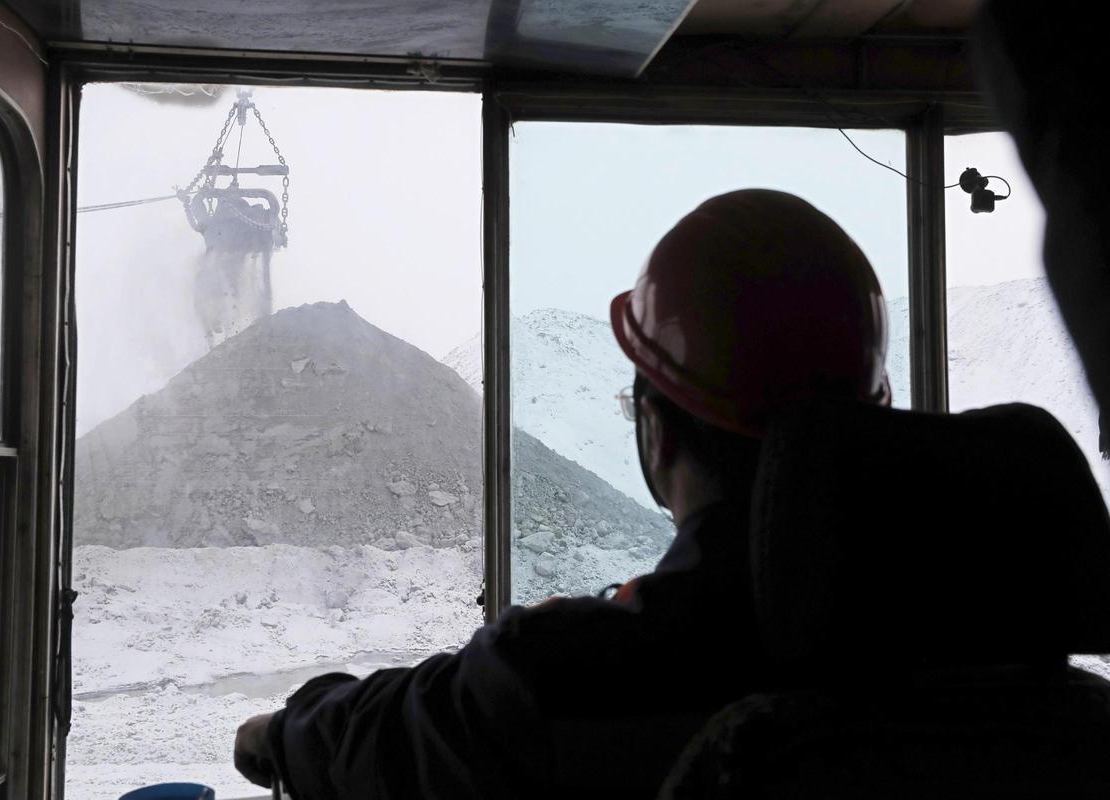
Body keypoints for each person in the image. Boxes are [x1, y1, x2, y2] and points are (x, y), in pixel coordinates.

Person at [233, 189, 891, 798]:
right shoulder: (961, 617)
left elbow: (420, 732)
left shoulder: (586, 672)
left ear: (656, 432)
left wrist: (292, 729)